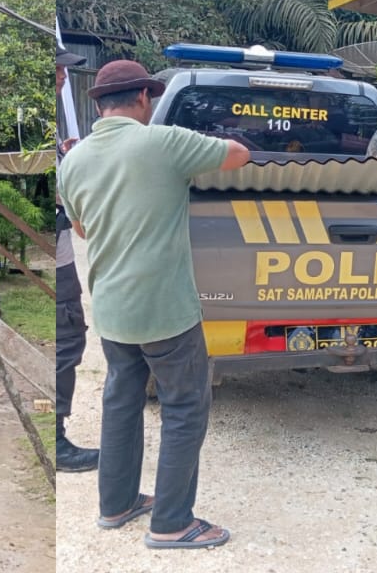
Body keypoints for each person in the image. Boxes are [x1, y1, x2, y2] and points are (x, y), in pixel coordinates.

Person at [58, 59, 251, 550]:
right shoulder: (163, 142)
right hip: (165, 312)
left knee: (121, 403)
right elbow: (239, 154)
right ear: (144, 97)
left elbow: (82, 229)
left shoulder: (72, 161)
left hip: (113, 311)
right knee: (184, 407)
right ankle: (171, 524)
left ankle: (117, 504)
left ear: (98, 105)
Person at [54, 44, 97, 472]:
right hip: (56, 253)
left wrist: (65, 158)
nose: (64, 77)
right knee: (65, 339)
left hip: (62, 251)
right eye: (59, 70)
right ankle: (56, 441)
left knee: (67, 337)